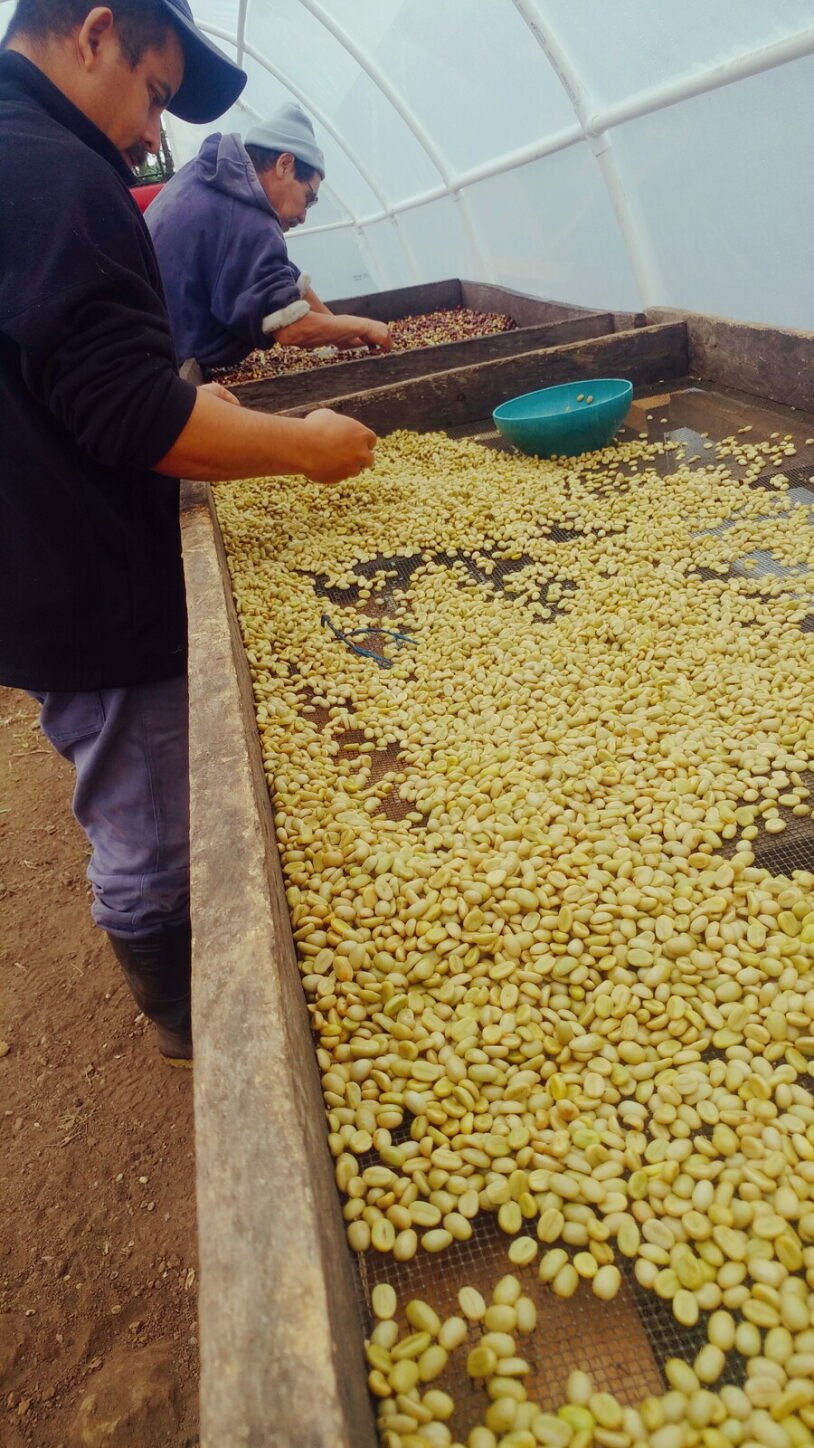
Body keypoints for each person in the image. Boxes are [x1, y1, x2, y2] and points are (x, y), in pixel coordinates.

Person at [0, 0, 377, 1066]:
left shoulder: (28, 153)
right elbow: (130, 409)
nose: (146, 134)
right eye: (155, 95)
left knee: (123, 770)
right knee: (146, 812)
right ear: (95, 31)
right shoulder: (47, 169)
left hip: (32, 552)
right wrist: (302, 446)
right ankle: (190, 1014)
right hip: (78, 579)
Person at [146, 102, 392, 368]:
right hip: (173, 369)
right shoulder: (246, 216)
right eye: (308, 198)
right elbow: (290, 328)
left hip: (150, 349)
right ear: (284, 165)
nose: (302, 216)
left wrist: (340, 335)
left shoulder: (215, 180)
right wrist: (361, 325)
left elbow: (278, 274)